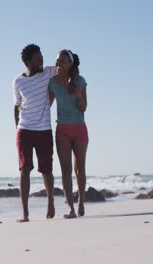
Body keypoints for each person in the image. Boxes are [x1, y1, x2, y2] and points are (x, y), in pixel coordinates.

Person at [13, 44, 56, 222]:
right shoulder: (18, 81)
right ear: (28, 62)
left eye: (42, 57)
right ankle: (25, 212)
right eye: (38, 59)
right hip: (25, 130)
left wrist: (50, 101)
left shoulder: (48, 73)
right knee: (24, 169)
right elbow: (16, 106)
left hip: (44, 129)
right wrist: (18, 128)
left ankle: (51, 202)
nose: (42, 61)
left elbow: (66, 65)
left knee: (46, 170)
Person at [48, 49, 88, 218]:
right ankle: (70, 208)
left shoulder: (80, 81)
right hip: (62, 130)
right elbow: (47, 106)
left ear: (70, 64)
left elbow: (84, 108)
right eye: (58, 60)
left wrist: (79, 95)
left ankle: (81, 201)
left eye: (63, 61)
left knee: (79, 169)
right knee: (65, 170)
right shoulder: (52, 83)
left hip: (79, 128)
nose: (59, 63)